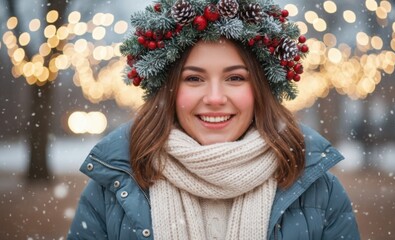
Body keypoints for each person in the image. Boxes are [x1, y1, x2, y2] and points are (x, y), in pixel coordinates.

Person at [68, 0, 360, 239]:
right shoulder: (113, 188)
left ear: (260, 89)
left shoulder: (320, 192)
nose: (215, 98)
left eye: (235, 78)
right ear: (168, 90)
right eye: (194, 78)